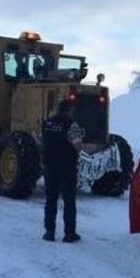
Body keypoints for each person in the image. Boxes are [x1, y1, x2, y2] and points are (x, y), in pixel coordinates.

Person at [42, 100, 84, 243]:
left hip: (50, 167)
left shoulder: (48, 123)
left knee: (50, 199)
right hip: (67, 168)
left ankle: (49, 232)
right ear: (69, 110)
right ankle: (69, 233)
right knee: (69, 201)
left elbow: (43, 141)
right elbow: (77, 145)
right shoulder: (72, 125)